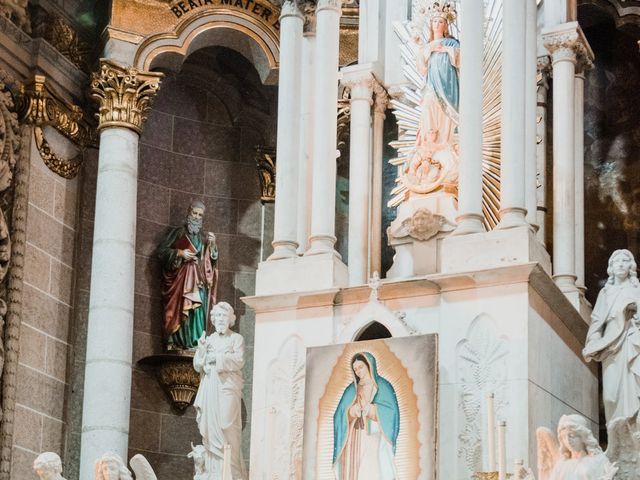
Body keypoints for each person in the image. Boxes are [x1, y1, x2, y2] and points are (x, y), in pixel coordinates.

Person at [583, 249, 640, 424]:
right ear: (611, 268)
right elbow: (597, 323)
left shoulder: (637, 290)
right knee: (610, 397)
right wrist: (594, 342)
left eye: (625, 261)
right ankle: (616, 440)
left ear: (631, 266)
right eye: (617, 262)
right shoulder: (605, 293)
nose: (621, 264)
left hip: (633, 342)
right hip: (611, 346)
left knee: (634, 391)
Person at [193, 302, 245, 480]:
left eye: (225, 316)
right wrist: (201, 349)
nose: (221, 319)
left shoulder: (236, 338)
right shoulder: (208, 340)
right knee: (208, 427)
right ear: (213, 320)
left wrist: (217, 358)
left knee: (226, 424)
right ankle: (213, 471)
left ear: (231, 319)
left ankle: (233, 470)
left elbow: (239, 360)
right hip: (210, 386)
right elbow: (198, 365)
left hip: (228, 386)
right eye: (218, 316)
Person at [157, 201, 218, 350]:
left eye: (200, 215)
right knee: (181, 307)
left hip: (198, 280)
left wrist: (213, 246)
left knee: (196, 309)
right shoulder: (178, 233)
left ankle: (196, 342)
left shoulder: (204, 238)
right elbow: (162, 252)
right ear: (189, 214)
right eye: (194, 213)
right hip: (181, 280)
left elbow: (211, 262)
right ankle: (178, 340)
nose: (197, 217)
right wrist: (180, 253)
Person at [333, 352, 400, 480]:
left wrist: (370, 409)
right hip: (354, 438)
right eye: (355, 369)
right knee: (356, 471)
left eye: (360, 367)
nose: (358, 371)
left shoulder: (383, 386)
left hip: (374, 436)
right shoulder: (351, 389)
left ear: (369, 365)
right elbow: (339, 415)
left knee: (372, 467)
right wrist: (352, 412)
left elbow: (391, 413)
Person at [414, 2, 459, 149]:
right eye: (435, 21)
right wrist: (429, 49)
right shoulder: (428, 45)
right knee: (428, 104)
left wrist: (446, 49)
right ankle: (429, 139)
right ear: (431, 25)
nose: (437, 24)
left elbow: (461, 59)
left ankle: (445, 141)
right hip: (432, 84)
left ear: (446, 25)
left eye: (441, 22)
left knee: (446, 111)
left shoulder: (452, 43)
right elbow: (421, 65)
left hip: (448, 83)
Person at [548, 415, 616, 480]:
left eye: (572, 435)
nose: (568, 440)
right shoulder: (561, 466)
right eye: (564, 437)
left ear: (583, 436)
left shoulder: (599, 461)